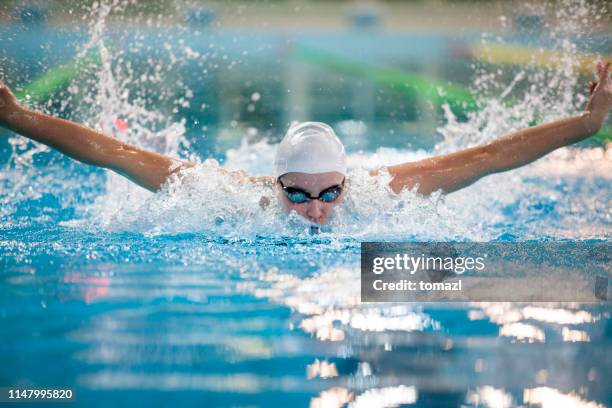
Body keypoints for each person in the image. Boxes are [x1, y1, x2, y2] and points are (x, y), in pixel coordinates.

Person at [0, 63, 610, 226]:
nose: (316, 211)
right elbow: (112, 153)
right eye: (297, 195)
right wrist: (19, 117)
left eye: (327, 194)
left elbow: (488, 158)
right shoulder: (231, 198)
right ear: (274, 185)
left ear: (349, 182)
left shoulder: (379, 193)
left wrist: (586, 126)